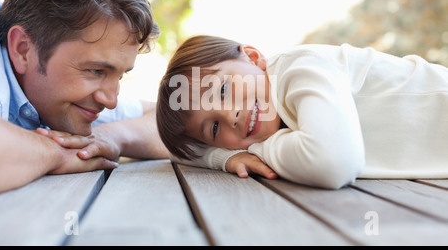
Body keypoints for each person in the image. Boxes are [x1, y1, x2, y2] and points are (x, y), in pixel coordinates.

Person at [0, 0, 274, 193]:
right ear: (24, 49)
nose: (111, 100)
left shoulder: (67, 98)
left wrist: (108, 138)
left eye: (119, 75)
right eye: (95, 71)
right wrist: (55, 152)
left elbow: (168, 121)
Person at [156, 35, 448, 189]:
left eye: (222, 90)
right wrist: (225, 158)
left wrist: (258, 150)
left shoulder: (301, 67)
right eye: (215, 128)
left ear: (254, 58)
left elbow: (333, 164)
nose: (230, 115)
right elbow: (185, 151)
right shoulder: (270, 110)